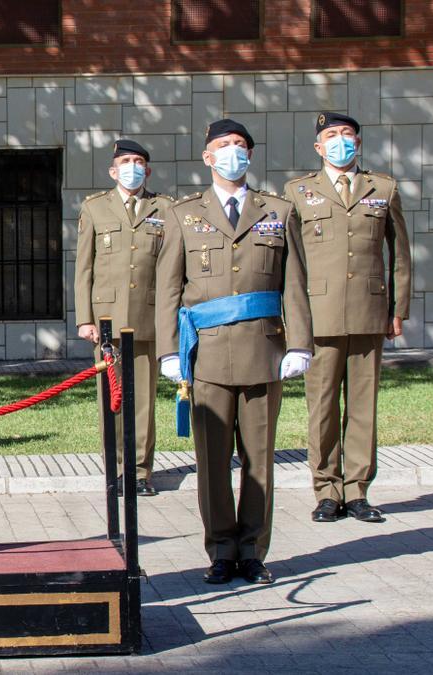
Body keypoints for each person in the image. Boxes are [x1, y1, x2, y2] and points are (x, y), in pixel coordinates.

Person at [155, 119, 312, 586]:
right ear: (207, 157)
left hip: (264, 353)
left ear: (251, 156)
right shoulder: (184, 214)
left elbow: (295, 285)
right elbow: (168, 290)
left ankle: (253, 550)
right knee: (212, 461)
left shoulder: (279, 211)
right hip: (207, 355)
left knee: (259, 460)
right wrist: (168, 351)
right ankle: (221, 549)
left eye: (240, 146)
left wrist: (299, 343)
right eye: (223, 147)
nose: (232, 154)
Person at [284, 112, 412, 524]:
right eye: (331, 136)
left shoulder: (384, 188)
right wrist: (294, 319)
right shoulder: (298, 192)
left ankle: (357, 490)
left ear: (358, 142)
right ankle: (326, 489)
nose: (340, 141)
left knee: (362, 406)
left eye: (347, 135)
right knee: (321, 407)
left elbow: (401, 256)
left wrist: (398, 309)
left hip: (369, 312)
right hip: (319, 316)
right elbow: (291, 263)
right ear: (319, 147)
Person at [74, 139, 171, 497]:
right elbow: (84, 268)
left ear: (148, 170)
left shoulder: (164, 207)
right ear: (113, 171)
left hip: (147, 316)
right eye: (125, 161)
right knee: (112, 398)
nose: (133, 167)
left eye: (139, 162)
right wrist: (85, 318)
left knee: (143, 399)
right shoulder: (95, 208)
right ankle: (115, 468)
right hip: (107, 320)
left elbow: (170, 269)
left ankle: (141, 471)